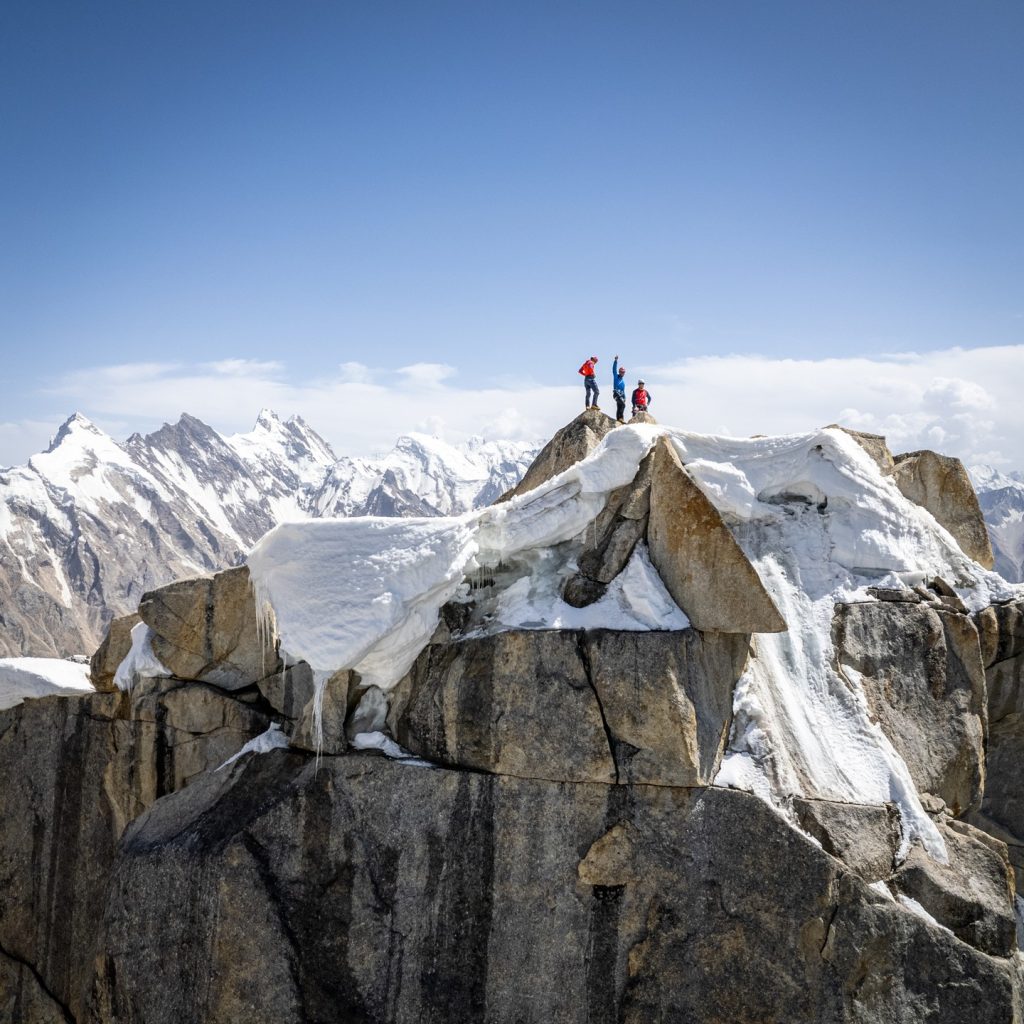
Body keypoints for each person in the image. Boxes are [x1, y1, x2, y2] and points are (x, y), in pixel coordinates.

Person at [612, 355, 627, 423]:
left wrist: (625, 397)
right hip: (616, 394)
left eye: (623, 372)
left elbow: (623, 391)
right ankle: (621, 418)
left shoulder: (623, 382)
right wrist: (615, 361)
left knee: (619, 406)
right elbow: (614, 369)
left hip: (621, 395)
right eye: (621, 372)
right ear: (619, 372)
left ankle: (618, 420)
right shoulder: (616, 377)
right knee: (623, 405)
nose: (622, 373)